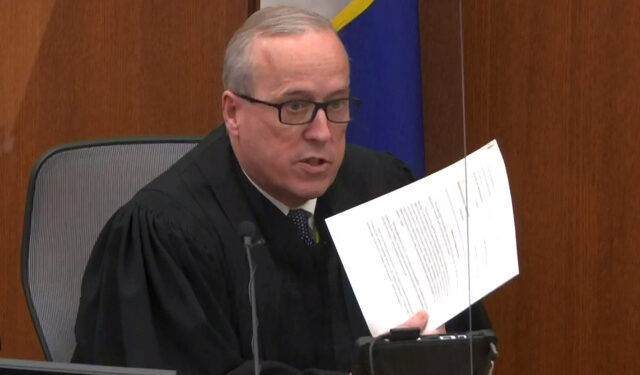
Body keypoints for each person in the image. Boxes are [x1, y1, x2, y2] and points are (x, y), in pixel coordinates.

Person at [72, 6, 491, 375]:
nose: (322, 132)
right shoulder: (164, 235)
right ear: (233, 112)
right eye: (295, 107)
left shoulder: (383, 188)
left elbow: (470, 340)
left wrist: (438, 355)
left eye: (337, 104)